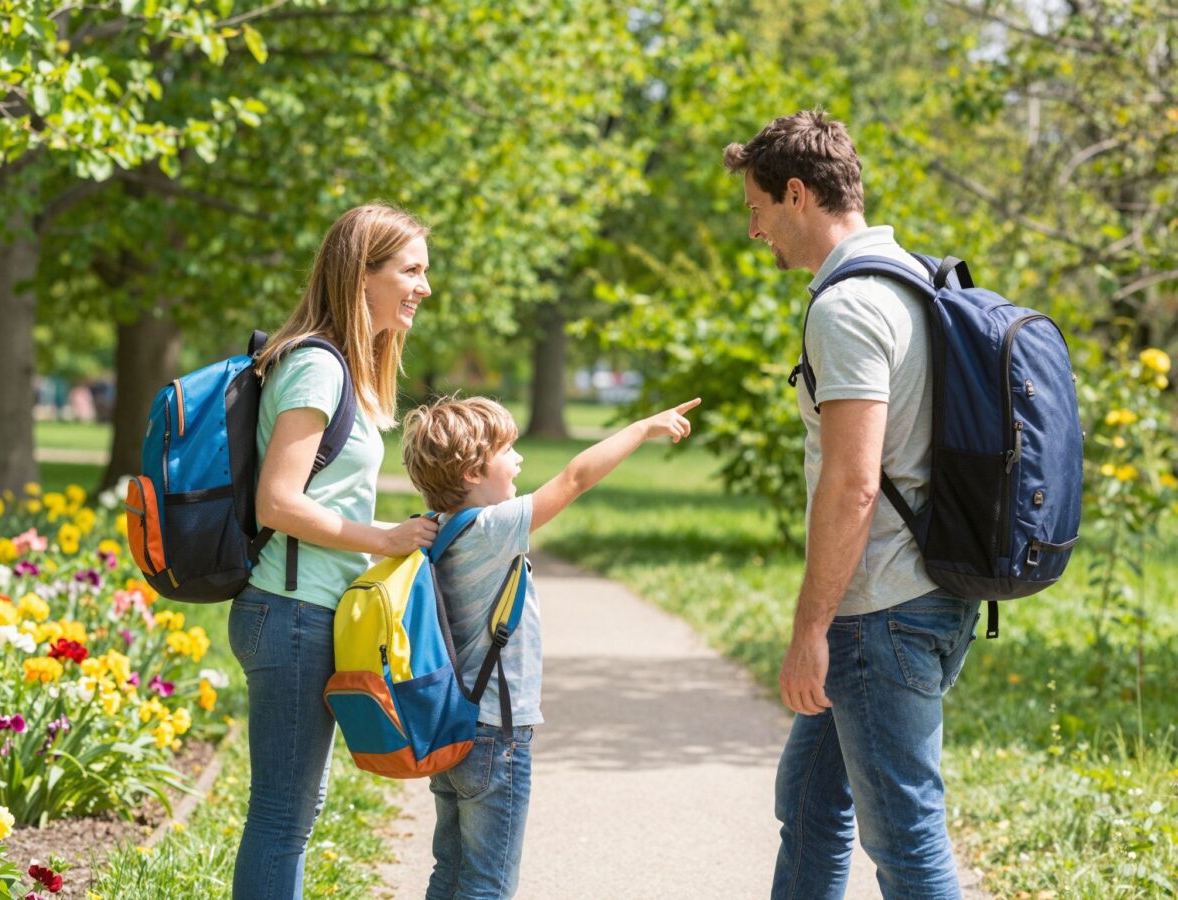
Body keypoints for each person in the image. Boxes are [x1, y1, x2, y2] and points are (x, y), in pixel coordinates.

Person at [723, 110, 982, 899]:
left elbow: (853, 483)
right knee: (808, 804)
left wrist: (810, 631)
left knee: (906, 846)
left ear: (797, 194)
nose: (755, 229)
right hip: (929, 593)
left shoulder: (847, 307)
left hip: (880, 615)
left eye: (757, 208)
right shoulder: (916, 279)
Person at [401, 394, 700, 899]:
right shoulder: (491, 529)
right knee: (488, 884)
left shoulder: (436, 530)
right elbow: (575, 479)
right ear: (473, 471)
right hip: (497, 734)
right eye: (508, 450)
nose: (518, 460)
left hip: (452, 728)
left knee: (450, 870)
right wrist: (641, 428)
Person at [229, 202, 441, 899]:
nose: (424, 287)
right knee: (282, 819)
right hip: (291, 614)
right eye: (410, 270)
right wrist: (381, 537)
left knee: (294, 814)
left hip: (306, 612)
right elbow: (278, 502)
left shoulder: (340, 366)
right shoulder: (318, 366)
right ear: (363, 274)